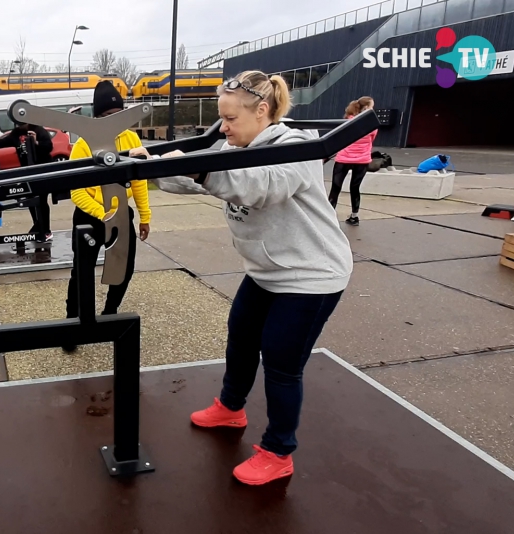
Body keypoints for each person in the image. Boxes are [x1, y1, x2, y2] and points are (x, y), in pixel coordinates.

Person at [129, 70, 353, 486]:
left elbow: (257, 187)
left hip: (310, 275)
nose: (223, 126)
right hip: (267, 271)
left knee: (282, 365)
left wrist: (201, 171)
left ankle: (278, 451)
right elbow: (197, 177)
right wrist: (148, 167)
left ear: (262, 110)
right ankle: (231, 409)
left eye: (230, 118)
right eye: (222, 117)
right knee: (241, 335)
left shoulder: (297, 150)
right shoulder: (237, 143)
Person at [62, 81, 151, 353]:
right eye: (108, 117)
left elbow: (139, 180)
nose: (115, 122)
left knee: (124, 268)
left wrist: (144, 216)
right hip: (91, 217)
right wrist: (104, 214)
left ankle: (110, 314)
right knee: (82, 272)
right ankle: (71, 325)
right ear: (97, 118)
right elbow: (76, 192)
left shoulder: (131, 139)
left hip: (121, 216)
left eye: (119, 116)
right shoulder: (83, 145)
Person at [0, 118, 54, 241]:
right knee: (31, 200)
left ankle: (46, 230)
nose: (23, 127)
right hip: (27, 172)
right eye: (20, 125)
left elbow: (48, 147)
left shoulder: (39, 131)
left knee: (42, 201)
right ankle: (37, 225)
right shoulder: (16, 133)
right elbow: (4, 141)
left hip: (41, 171)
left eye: (24, 124)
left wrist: (36, 143)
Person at [328, 96, 376, 226]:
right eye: (372, 106)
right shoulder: (372, 124)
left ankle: (328, 218)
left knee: (335, 188)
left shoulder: (346, 122)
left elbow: (339, 139)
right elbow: (371, 139)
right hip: (362, 160)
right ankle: (354, 217)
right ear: (366, 108)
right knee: (355, 188)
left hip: (344, 158)